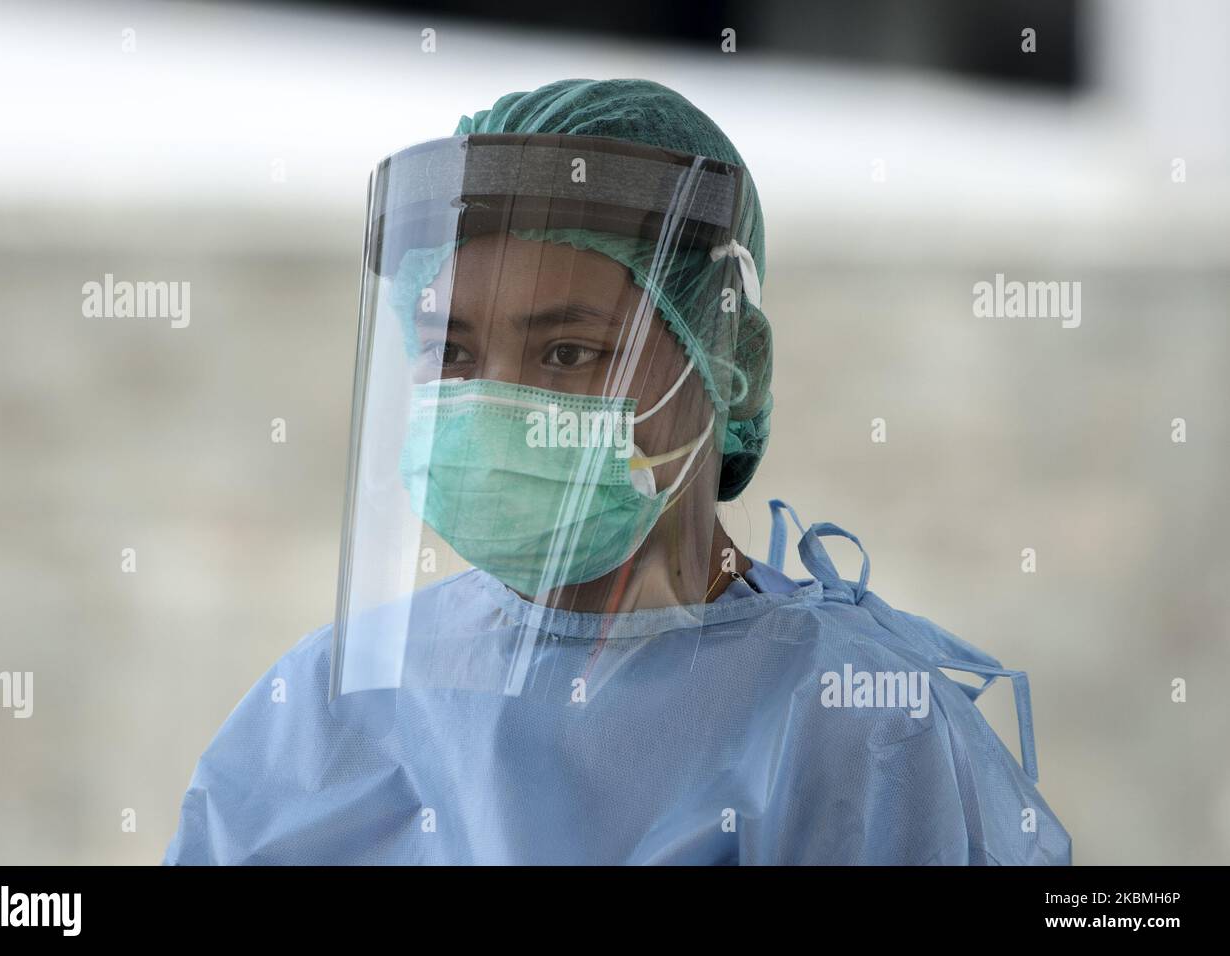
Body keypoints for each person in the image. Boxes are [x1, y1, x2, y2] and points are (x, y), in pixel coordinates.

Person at [164, 78, 1071, 865]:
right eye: (450, 352)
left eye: (565, 351)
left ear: (730, 357)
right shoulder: (323, 713)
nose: (494, 404)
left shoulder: (859, 728)